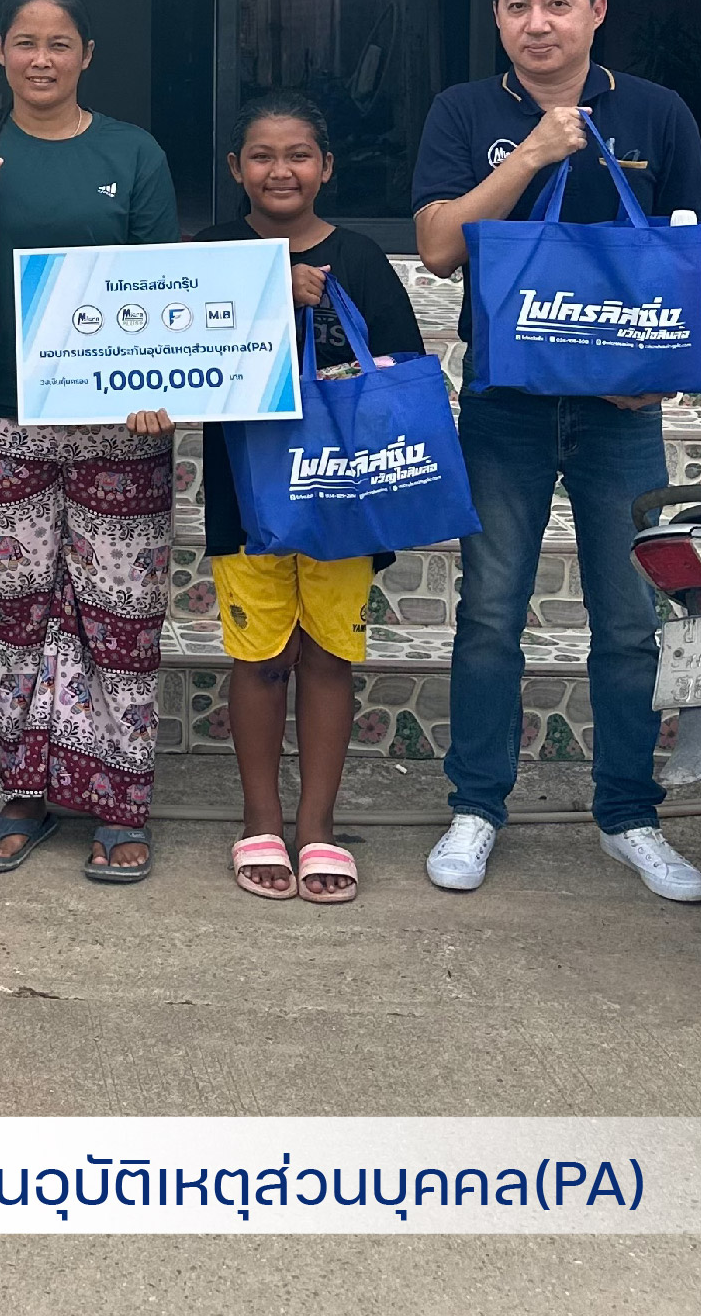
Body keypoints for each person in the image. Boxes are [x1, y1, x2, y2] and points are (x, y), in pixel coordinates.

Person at [411, 0, 701, 903]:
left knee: (627, 622)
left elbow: (691, 255)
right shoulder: (465, 112)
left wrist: (659, 369)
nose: (535, 22)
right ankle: (476, 806)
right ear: (496, 17)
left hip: (618, 417)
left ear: (595, 12)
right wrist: (536, 150)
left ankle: (628, 816)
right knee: (488, 615)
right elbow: (437, 248)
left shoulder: (657, 112)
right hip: (503, 405)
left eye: (555, 3)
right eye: (516, 5)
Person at [0, 0, 178, 884]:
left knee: (119, 616)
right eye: (24, 42)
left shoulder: (131, 153)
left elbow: (158, 291)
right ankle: (25, 792)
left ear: (86, 55)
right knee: (19, 611)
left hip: (115, 427)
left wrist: (157, 387)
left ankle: (117, 802)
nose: (41, 59)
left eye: (59, 43)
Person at [199, 91, 424, 905]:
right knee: (259, 658)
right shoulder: (210, 253)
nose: (280, 170)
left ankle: (318, 824)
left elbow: (401, 373)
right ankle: (260, 818)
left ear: (325, 166)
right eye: (261, 155)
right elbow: (176, 348)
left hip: (343, 498)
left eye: (297, 154)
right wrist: (268, 294)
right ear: (236, 168)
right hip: (245, 495)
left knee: (329, 655)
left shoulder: (359, 259)